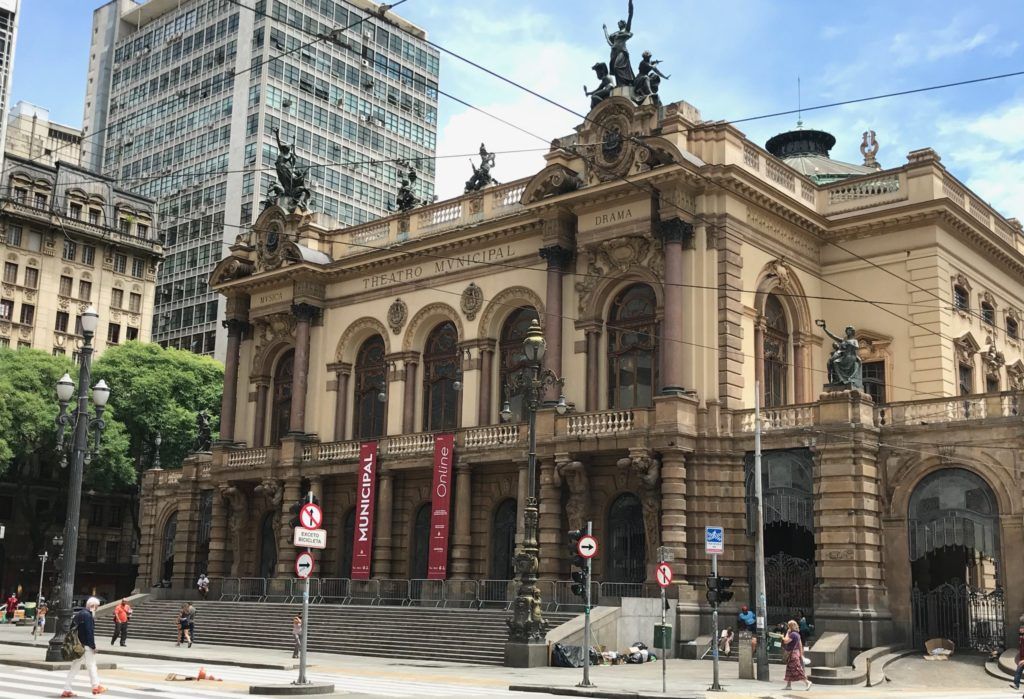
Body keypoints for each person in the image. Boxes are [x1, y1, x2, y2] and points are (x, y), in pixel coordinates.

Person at [60, 596, 106, 697]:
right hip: (86, 646)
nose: (96, 609)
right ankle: (96, 686)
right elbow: (89, 632)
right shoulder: (88, 615)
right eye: (96, 607)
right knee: (92, 665)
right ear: (92, 606)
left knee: (75, 667)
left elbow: (72, 629)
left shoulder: (79, 614)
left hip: (77, 646)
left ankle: (66, 689)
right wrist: (93, 646)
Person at [783, 619, 811, 691]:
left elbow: (785, 641)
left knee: (796, 669)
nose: (788, 627)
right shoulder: (798, 634)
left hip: (793, 654)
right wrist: (801, 654)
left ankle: (807, 682)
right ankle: (788, 685)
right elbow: (800, 645)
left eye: (789, 626)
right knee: (789, 670)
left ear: (791, 626)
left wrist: (787, 633)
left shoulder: (793, 634)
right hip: (795, 653)